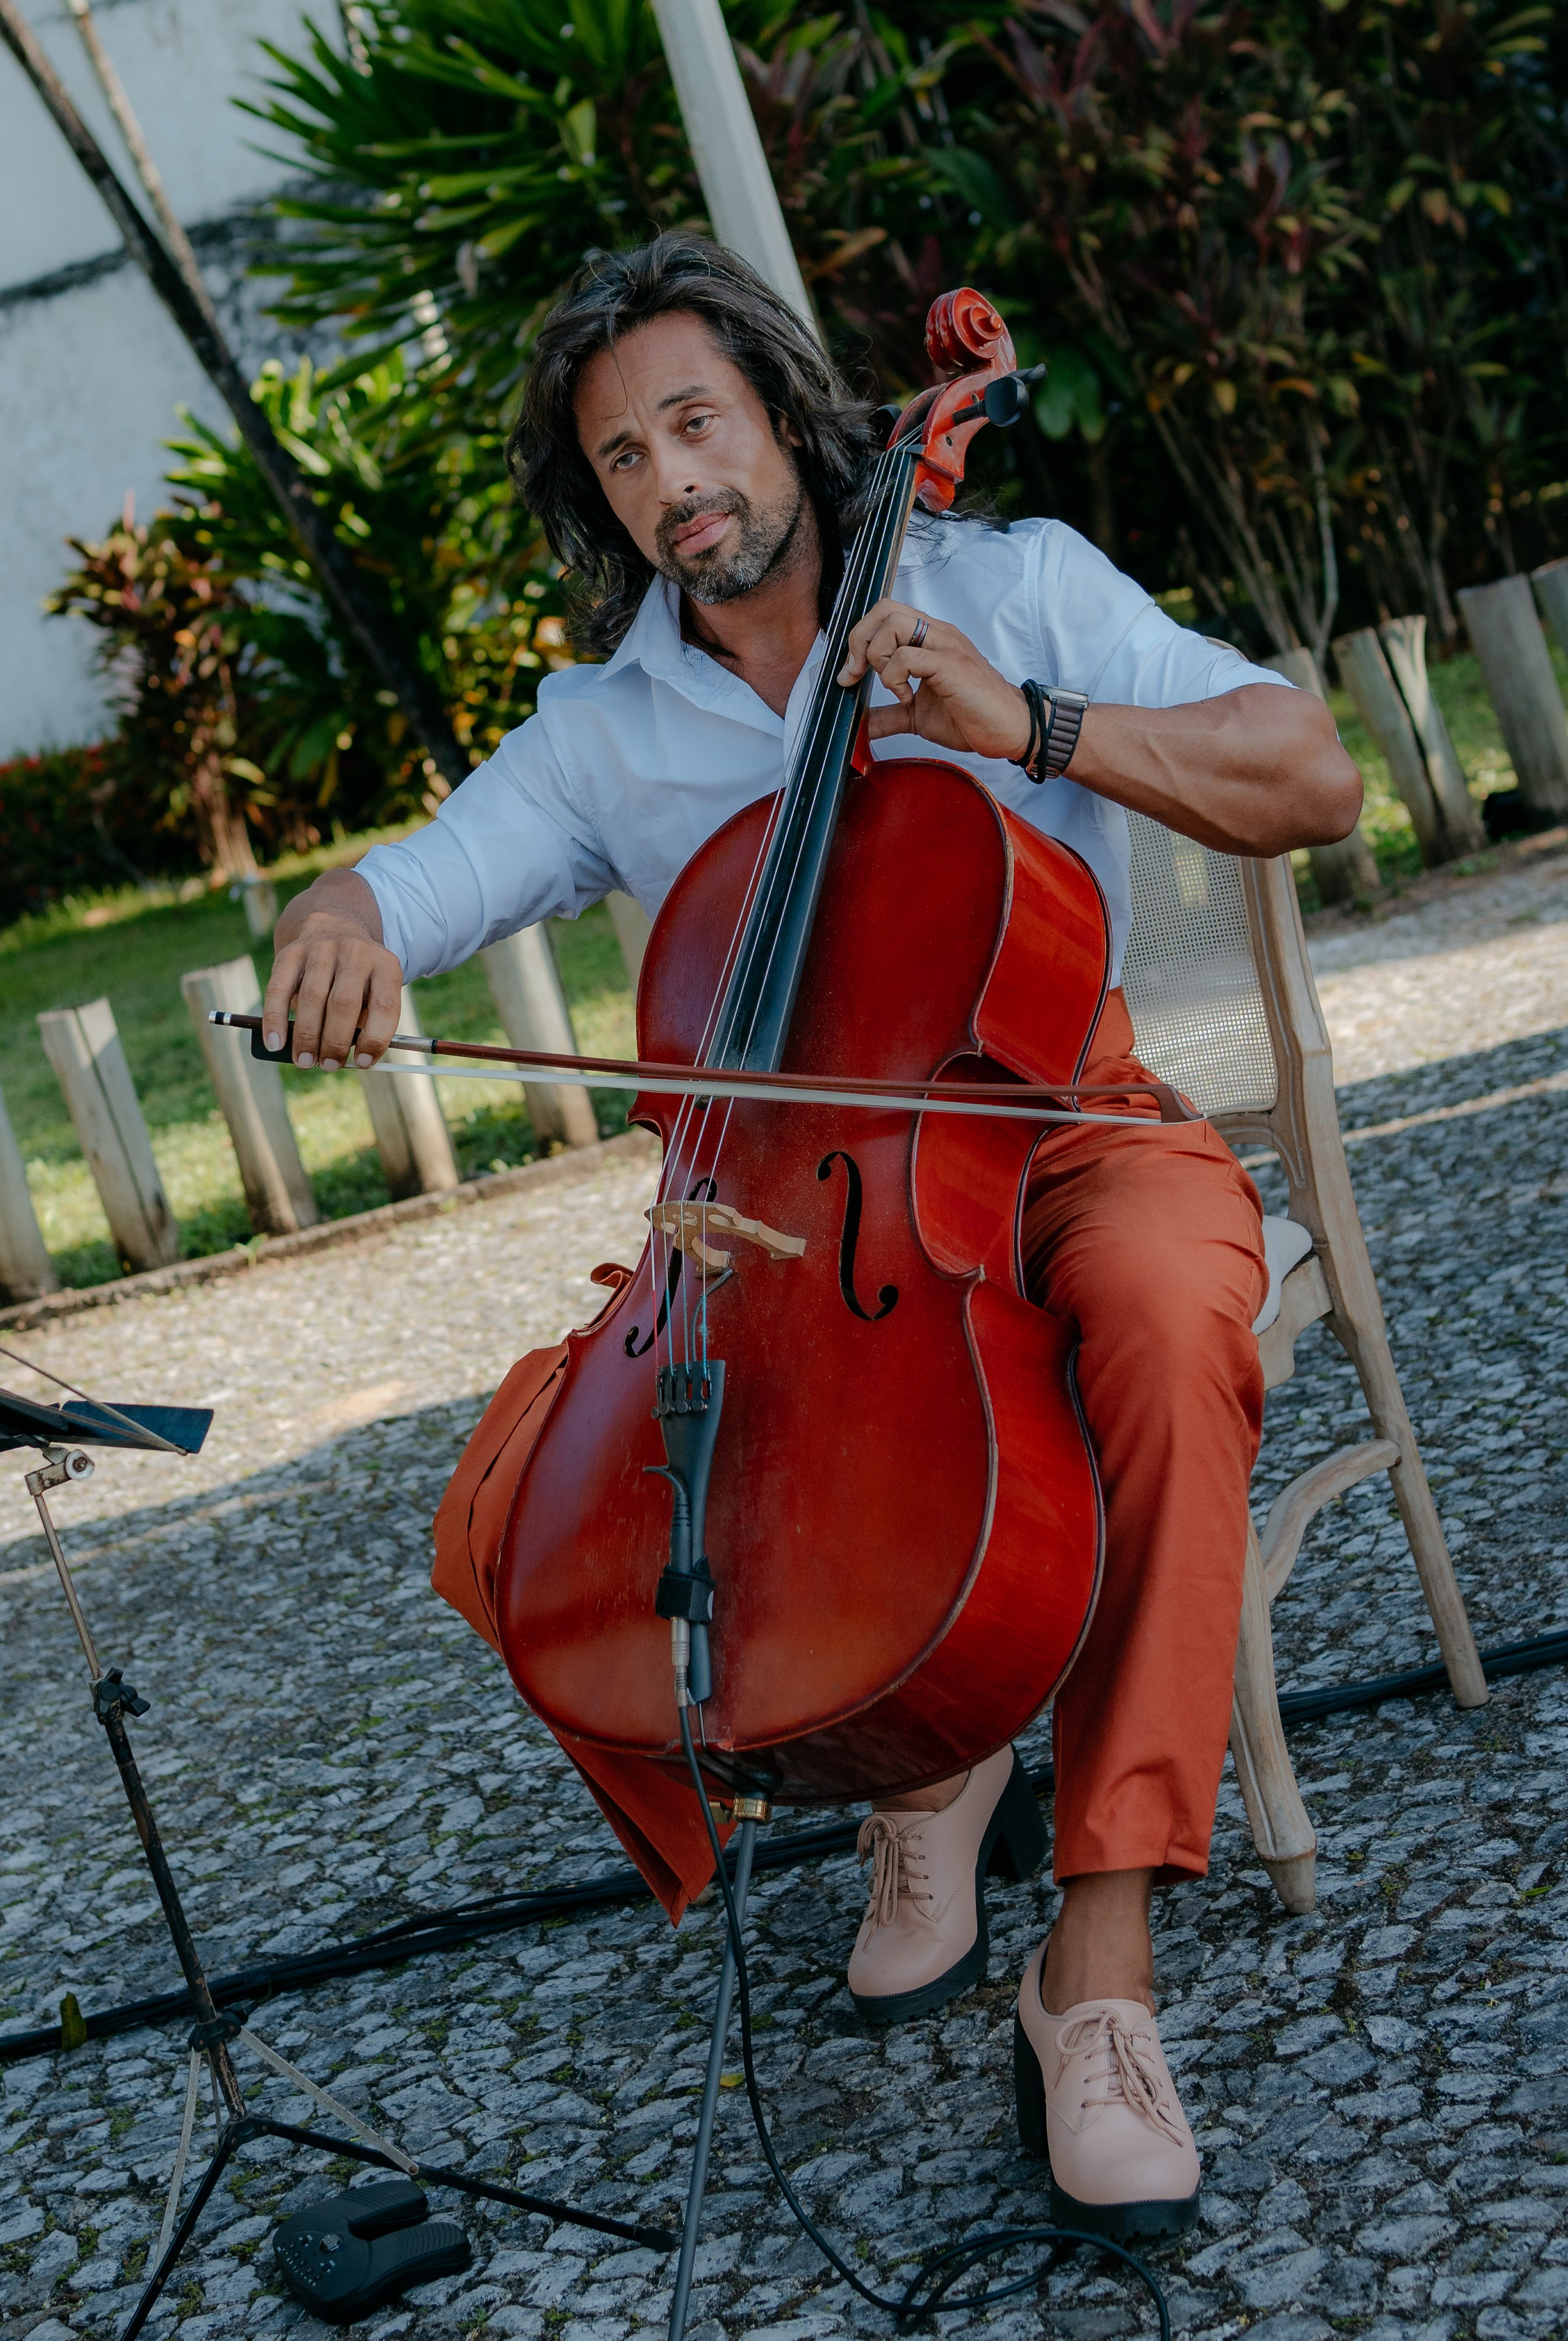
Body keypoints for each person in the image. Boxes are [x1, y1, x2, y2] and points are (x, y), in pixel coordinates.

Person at [265, 234, 1361, 2240]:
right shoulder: (605, 731)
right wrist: (335, 922)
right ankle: (920, 1755)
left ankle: (1094, 1960)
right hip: (798, 1226)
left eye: (695, 419)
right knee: (578, 1506)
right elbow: (420, 879)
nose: (672, 477)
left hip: (1061, 1122)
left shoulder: (1005, 581)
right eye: (620, 457)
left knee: (1164, 1322)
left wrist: (1026, 724)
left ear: (781, 410)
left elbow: (1311, 775)